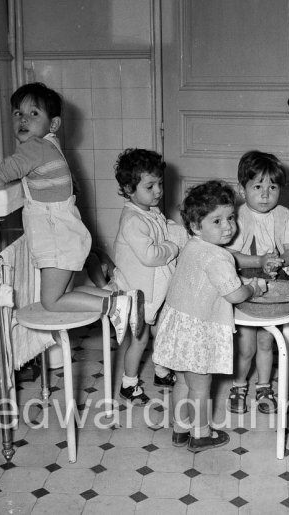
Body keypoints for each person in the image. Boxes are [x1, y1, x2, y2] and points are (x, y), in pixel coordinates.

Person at [0, 82, 142, 344]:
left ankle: (114, 307)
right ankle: (124, 298)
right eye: (18, 113)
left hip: (57, 242)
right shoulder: (50, 145)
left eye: (34, 114)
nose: (23, 119)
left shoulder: (34, 148)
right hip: (66, 237)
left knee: (52, 302)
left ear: (53, 125)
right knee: (67, 295)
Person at [152, 180, 266, 452]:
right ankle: (201, 433)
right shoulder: (218, 257)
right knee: (201, 387)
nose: (228, 226)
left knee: (182, 381)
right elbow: (235, 294)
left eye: (231, 217)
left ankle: (180, 429)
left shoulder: (192, 246)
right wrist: (252, 287)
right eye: (217, 221)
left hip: (177, 326)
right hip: (198, 333)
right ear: (195, 226)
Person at [227, 150, 289, 415]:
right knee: (246, 345)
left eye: (272, 187)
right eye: (257, 186)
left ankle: (263, 385)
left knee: (266, 342)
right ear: (242, 189)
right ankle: (238, 385)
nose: (265, 194)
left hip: (274, 288)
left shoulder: (284, 215)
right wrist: (259, 261)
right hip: (245, 288)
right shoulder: (235, 217)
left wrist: (281, 259)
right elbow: (231, 255)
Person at [112, 148, 188, 405]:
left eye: (159, 184)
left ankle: (161, 371)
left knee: (163, 331)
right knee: (140, 338)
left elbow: (164, 228)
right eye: (150, 186)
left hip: (154, 290)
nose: (158, 191)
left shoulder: (150, 211)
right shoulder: (133, 220)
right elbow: (150, 255)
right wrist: (172, 247)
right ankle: (128, 384)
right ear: (128, 189)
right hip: (137, 293)